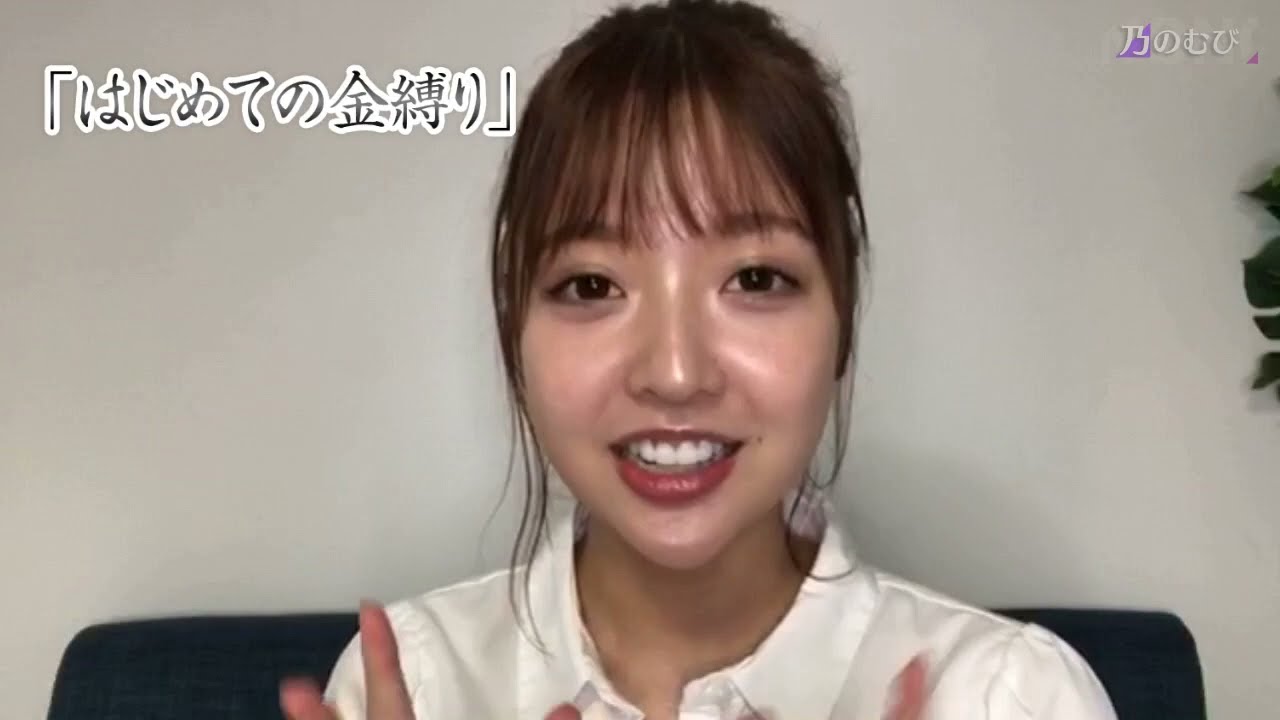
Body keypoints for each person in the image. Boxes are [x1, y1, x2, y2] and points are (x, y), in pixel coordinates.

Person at [279, 1, 1120, 718]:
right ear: (514, 325)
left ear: (842, 312)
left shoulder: (1005, 697)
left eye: (755, 278)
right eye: (592, 285)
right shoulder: (415, 685)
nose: (675, 373)